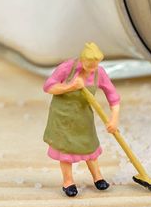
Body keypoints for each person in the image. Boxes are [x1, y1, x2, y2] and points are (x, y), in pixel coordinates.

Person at [42, 42, 121, 197]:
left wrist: (114, 119)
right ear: (82, 60)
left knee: (89, 147)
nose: (92, 69)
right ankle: (68, 182)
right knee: (65, 150)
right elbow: (48, 87)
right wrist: (70, 87)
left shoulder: (99, 72)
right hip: (63, 116)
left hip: (84, 117)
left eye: (95, 65)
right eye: (89, 65)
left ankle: (98, 177)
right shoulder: (67, 68)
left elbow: (113, 96)